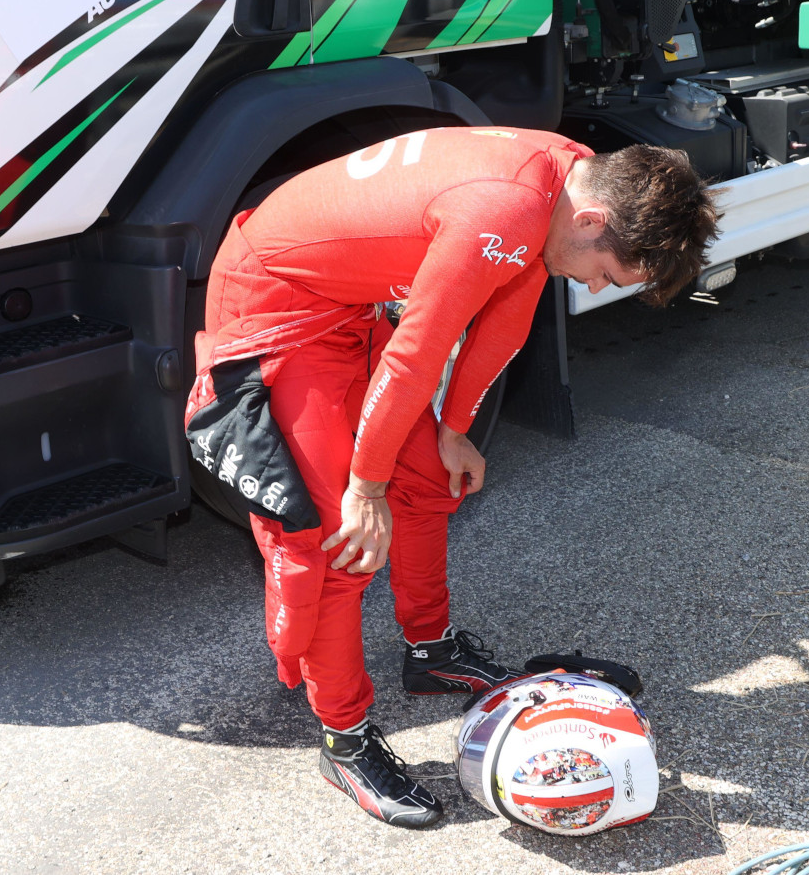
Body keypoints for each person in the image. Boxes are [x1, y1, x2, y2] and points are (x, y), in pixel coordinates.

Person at [187, 126, 720, 828]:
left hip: (344, 298)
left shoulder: (569, 181)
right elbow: (417, 354)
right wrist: (364, 487)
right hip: (276, 300)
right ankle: (344, 742)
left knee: (430, 478)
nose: (591, 285)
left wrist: (453, 429)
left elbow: (506, 318)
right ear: (592, 221)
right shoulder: (504, 211)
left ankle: (429, 651)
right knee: (333, 539)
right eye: (603, 272)